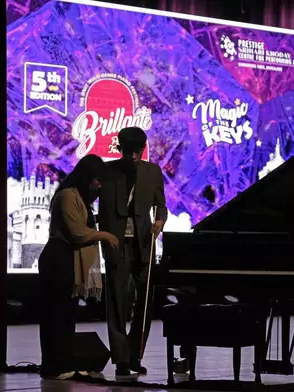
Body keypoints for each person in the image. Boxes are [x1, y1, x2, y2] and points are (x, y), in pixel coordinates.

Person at [38, 154, 120, 380]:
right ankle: (54, 366)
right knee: (56, 314)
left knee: (67, 315)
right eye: (96, 180)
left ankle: (64, 363)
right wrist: (104, 235)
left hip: (68, 260)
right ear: (86, 178)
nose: (98, 186)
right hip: (58, 258)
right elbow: (76, 232)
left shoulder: (81, 199)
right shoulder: (66, 196)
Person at [98, 127, 167, 376]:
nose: (134, 157)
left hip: (144, 244)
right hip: (116, 243)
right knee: (117, 302)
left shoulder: (153, 171)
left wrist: (160, 221)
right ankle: (121, 360)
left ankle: (135, 355)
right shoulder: (107, 171)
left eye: (138, 152)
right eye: (128, 153)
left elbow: (161, 204)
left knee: (145, 304)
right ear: (120, 150)